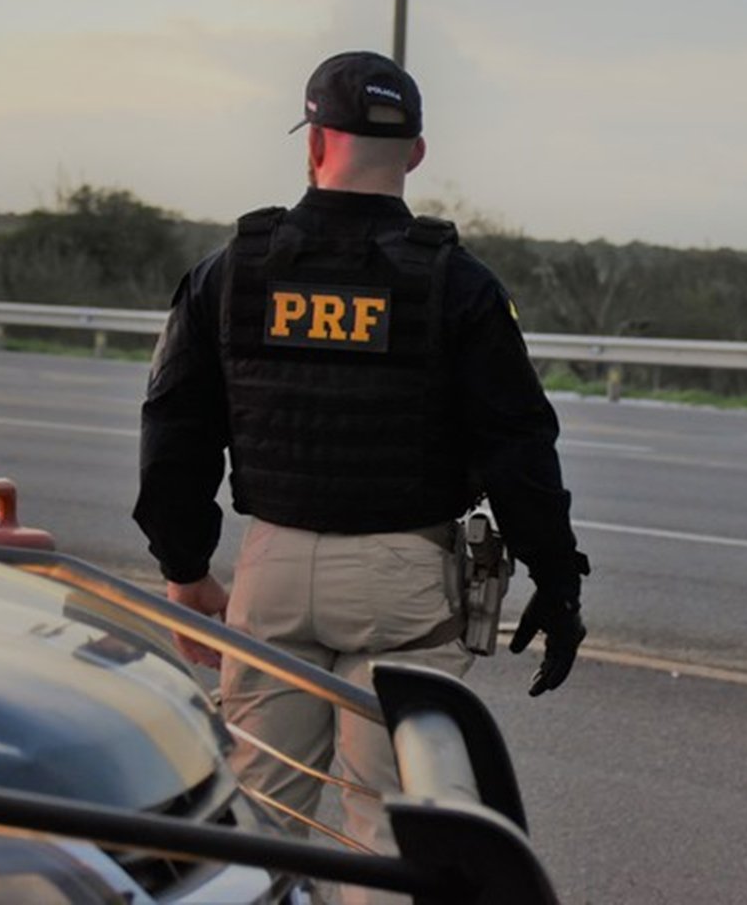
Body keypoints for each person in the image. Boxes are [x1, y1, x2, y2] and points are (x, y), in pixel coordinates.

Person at [133, 50, 590, 898]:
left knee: (258, 818)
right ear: (415, 153)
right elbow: (520, 446)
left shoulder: (231, 270)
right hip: (403, 579)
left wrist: (186, 568)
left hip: (269, 571)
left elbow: (174, 429)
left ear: (315, 142)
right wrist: (557, 581)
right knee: (383, 828)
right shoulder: (456, 282)